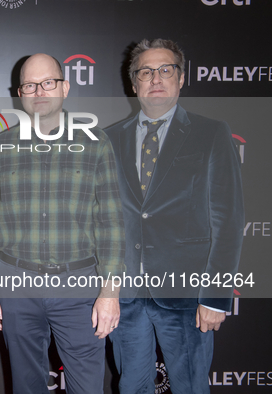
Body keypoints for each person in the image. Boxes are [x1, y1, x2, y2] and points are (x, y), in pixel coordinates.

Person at [105, 39, 244, 394]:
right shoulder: (108, 139)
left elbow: (227, 221)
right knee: (130, 387)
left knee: (191, 387)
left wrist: (215, 296)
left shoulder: (211, 133)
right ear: (133, 83)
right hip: (127, 294)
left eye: (165, 69)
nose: (156, 78)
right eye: (146, 72)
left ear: (181, 78)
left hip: (187, 293)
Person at [0, 53, 125, 393]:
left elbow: (112, 221)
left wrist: (110, 291)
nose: (39, 91)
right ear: (20, 92)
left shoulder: (96, 143)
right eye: (30, 85)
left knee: (87, 386)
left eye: (48, 82)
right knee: (26, 384)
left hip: (78, 285)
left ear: (65, 87)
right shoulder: (0, 146)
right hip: (15, 284)